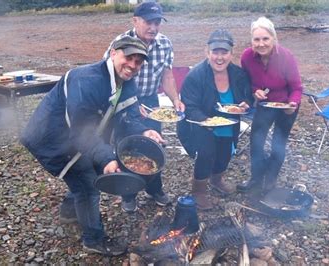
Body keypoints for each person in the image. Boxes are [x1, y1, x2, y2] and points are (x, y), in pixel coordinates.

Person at [20, 36, 164, 256]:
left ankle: (69, 212)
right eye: (129, 57)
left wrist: (144, 130)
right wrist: (107, 158)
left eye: (138, 61)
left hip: (78, 138)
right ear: (114, 52)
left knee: (87, 174)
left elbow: (129, 115)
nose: (133, 66)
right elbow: (80, 132)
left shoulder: (127, 81)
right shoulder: (86, 80)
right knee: (88, 186)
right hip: (52, 139)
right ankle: (93, 239)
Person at [103, 1, 185, 212]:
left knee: (154, 145)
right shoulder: (121, 43)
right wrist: (127, 102)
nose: (153, 27)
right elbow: (107, 75)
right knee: (126, 146)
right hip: (124, 101)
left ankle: (154, 188)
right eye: (148, 22)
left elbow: (167, 74)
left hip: (151, 102)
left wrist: (175, 99)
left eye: (157, 22)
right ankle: (128, 194)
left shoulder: (165, 44)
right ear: (135, 21)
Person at [178, 29, 253, 210]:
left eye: (224, 52)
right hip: (201, 124)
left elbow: (246, 96)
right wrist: (207, 121)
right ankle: (198, 191)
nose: (220, 58)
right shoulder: (196, 75)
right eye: (215, 52)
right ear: (207, 52)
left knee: (225, 153)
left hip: (229, 122)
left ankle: (217, 180)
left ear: (231, 54)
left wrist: (245, 104)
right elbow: (189, 106)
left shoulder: (238, 74)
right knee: (206, 155)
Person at [236, 17, 303, 196]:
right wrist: (255, 90)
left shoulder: (286, 57)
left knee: (278, 143)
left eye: (265, 38)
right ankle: (256, 177)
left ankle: (271, 178)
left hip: (286, 104)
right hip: (266, 104)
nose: (261, 43)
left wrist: (293, 103)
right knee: (256, 141)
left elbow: (297, 87)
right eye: (257, 39)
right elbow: (248, 82)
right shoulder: (247, 57)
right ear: (252, 41)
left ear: (273, 38)